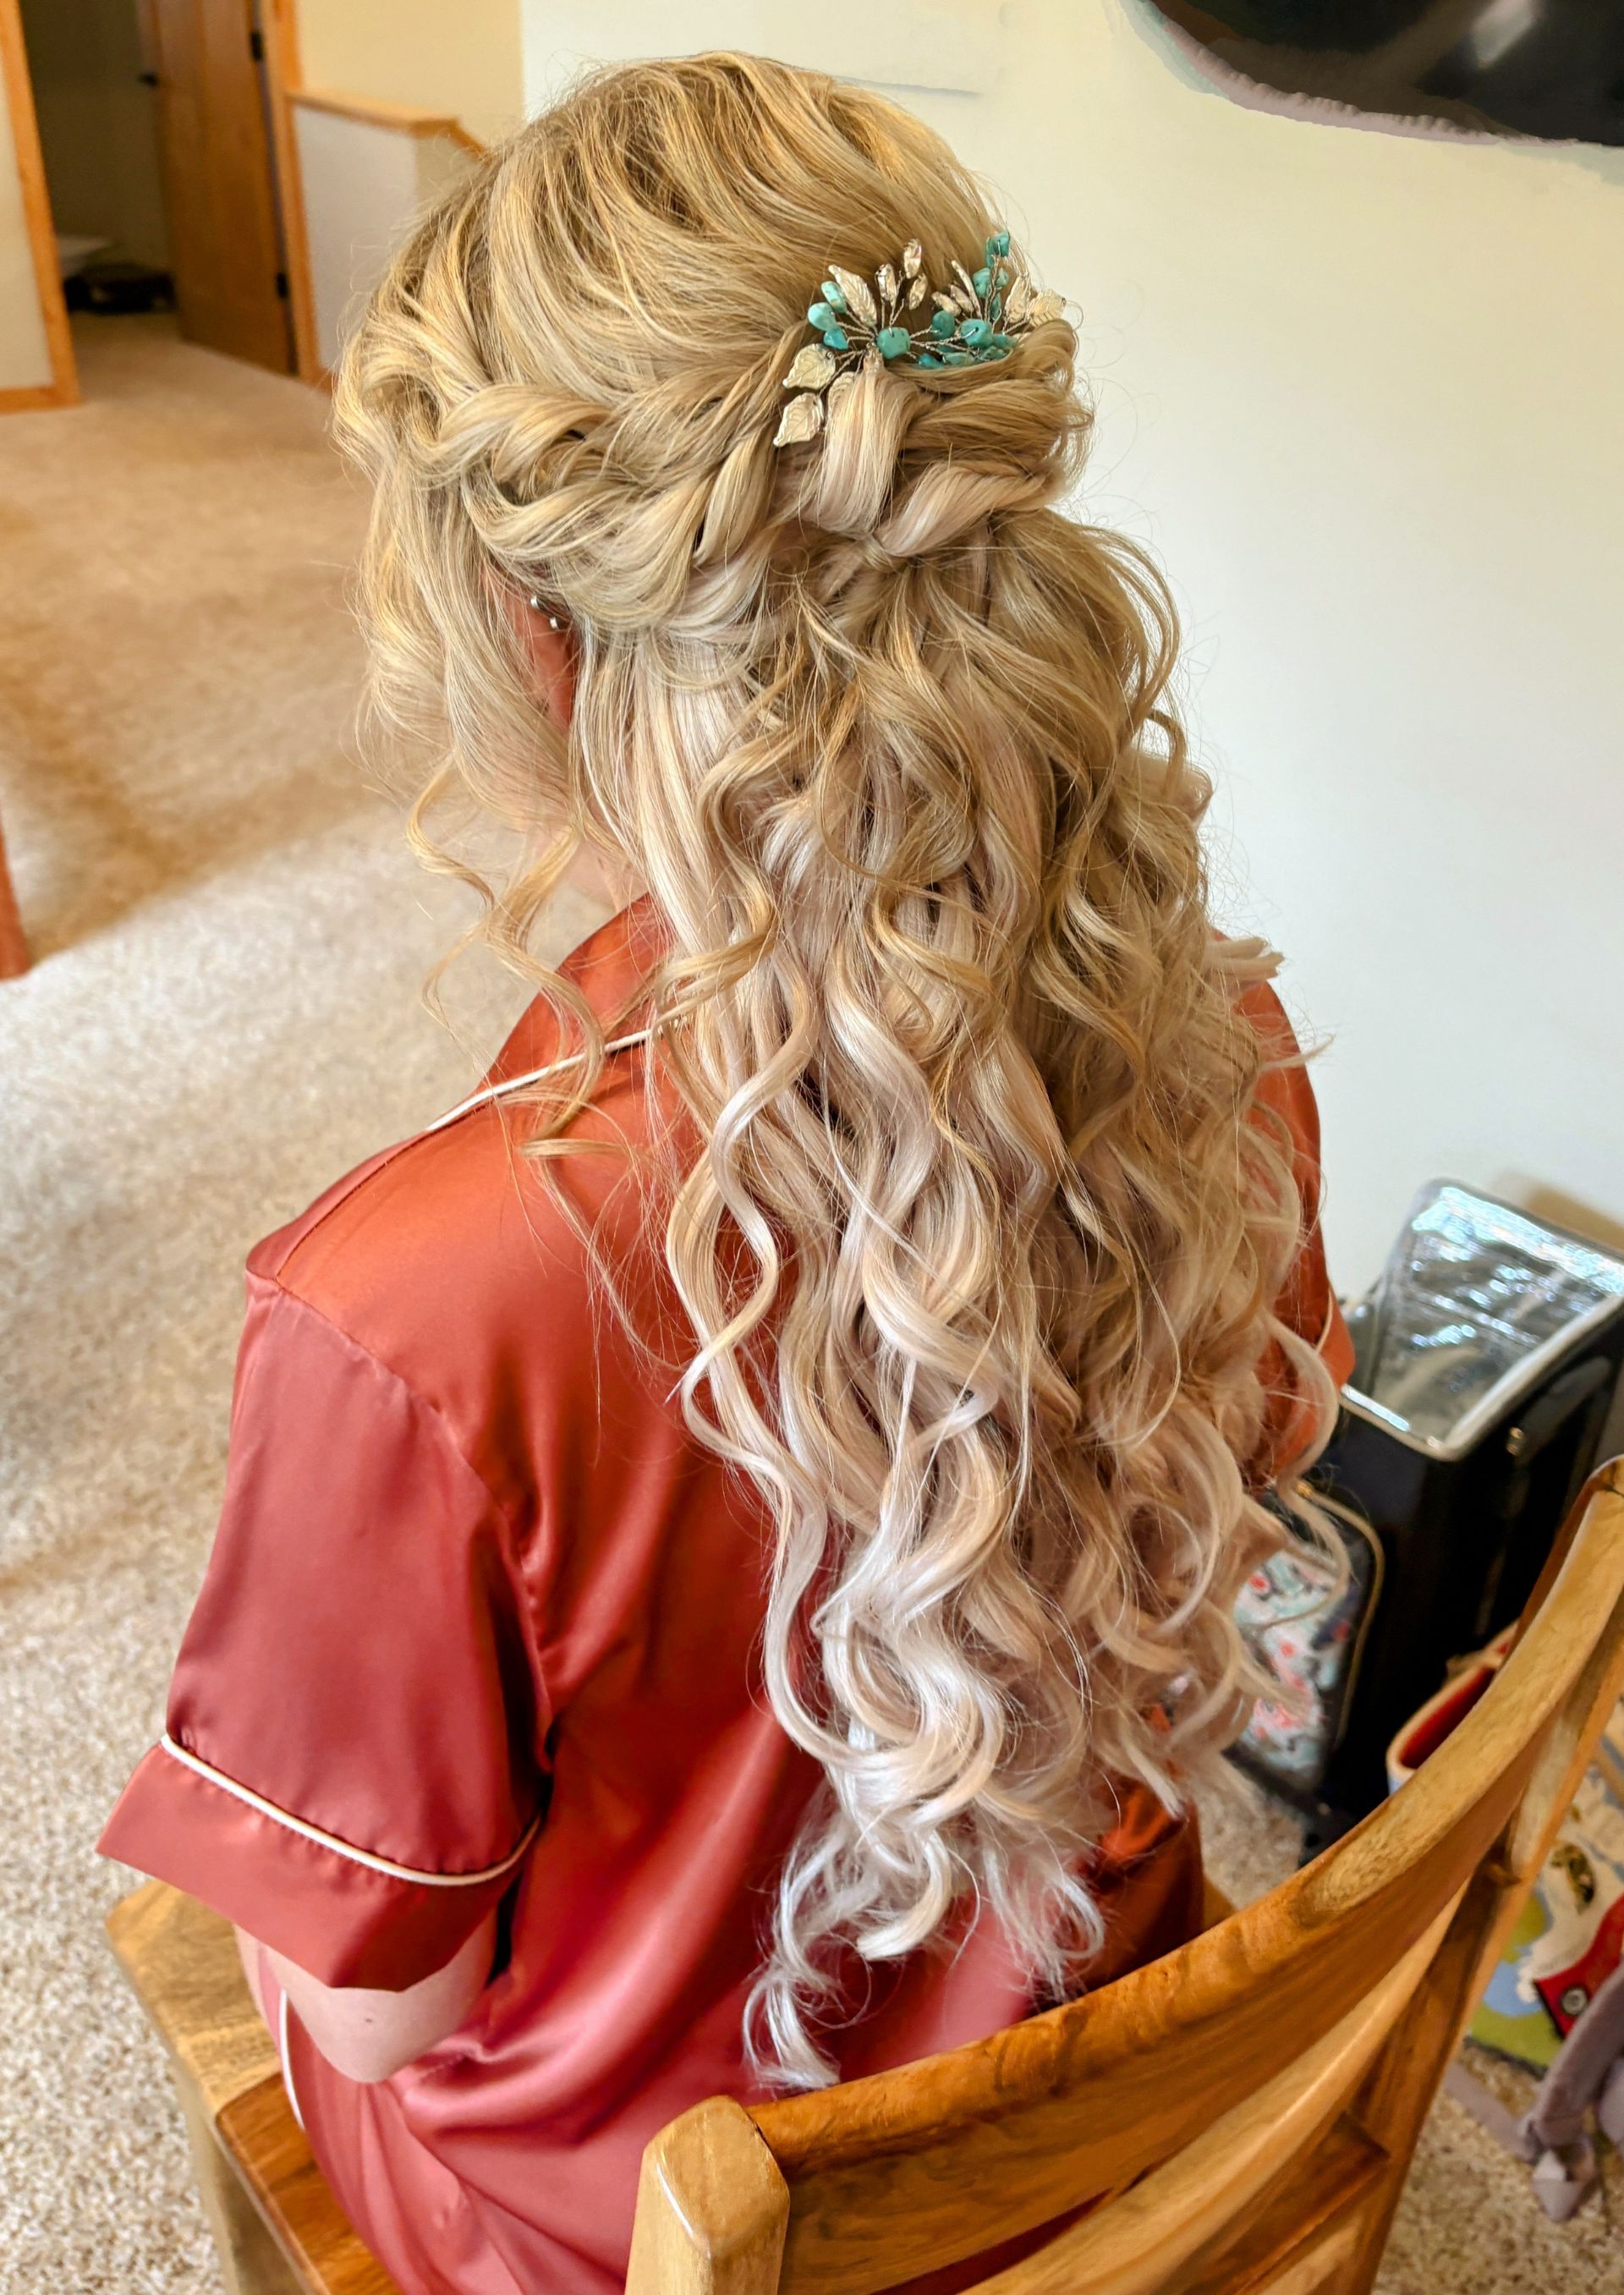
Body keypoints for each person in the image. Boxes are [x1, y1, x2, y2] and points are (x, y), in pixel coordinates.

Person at [100, 52, 1352, 2295]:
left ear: (541, 635)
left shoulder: (409, 1322)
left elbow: (382, 2005)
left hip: (647, 2238)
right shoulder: (1222, 1038)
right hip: (1095, 2046)